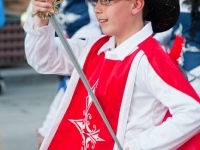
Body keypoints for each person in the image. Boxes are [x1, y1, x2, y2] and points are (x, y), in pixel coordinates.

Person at [24, 0, 200, 149]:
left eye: (107, 0)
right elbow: (43, 60)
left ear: (136, 4)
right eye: (97, 1)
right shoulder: (93, 47)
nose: (97, 9)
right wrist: (41, 18)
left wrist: (139, 146)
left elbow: (192, 111)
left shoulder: (150, 58)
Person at [35, 0, 102, 148]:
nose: (99, 8)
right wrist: (39, 21)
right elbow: (42, 59)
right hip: (66, 48)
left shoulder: (93, 36)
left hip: (83, 47)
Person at [154, 0, 200, 96]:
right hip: (172, 64)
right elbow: (166, 31)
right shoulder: (177, 4)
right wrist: (153, 43)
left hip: (196, 70)